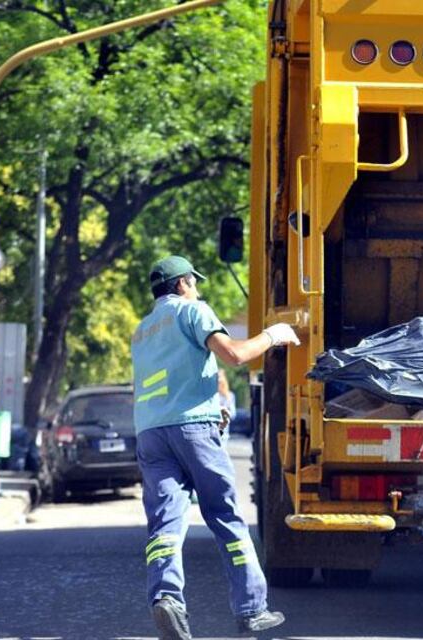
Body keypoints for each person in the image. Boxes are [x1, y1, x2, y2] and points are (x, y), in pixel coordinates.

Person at [131, 255, 300, 639]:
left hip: (151, 434)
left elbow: (165, 383)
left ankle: (166, 598)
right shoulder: (192, 312)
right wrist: (275, 334)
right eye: (194, 282)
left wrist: (212, 411)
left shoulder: (141, 331)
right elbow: (234, 355)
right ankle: (252, 608)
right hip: (192, 430)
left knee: (165, 523)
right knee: (224, 516)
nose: (198, 289)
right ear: (181, 285)